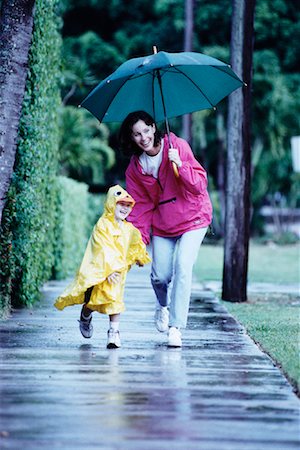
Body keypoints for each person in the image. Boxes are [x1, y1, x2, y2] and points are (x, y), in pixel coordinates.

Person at [119, 111, 213, 348]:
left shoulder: (177, 145)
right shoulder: (135, 168)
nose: (143, 138)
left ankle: (176, 327)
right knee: (159, 276)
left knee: (183, 265)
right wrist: (138, 241)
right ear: (132, 138)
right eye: (137, 134)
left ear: (154, 127)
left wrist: (180, 166)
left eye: (146, 130)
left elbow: (200, 186)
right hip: (163, 223)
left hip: (194, 216)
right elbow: (140, 208)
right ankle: (162, 306)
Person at [54, 185, 151, 349]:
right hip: (101, 270)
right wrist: (109, 269)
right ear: (112, 203)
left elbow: (136, 243)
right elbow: (102, 248)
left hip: (118, 273)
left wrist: (139, 257)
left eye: (128, 206)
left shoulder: (128, 228)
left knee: (115, 299)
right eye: (121, 204)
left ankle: (113, 332)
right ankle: (86, 314)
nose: (124, 209)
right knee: (93, 300)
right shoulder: (103, 225)